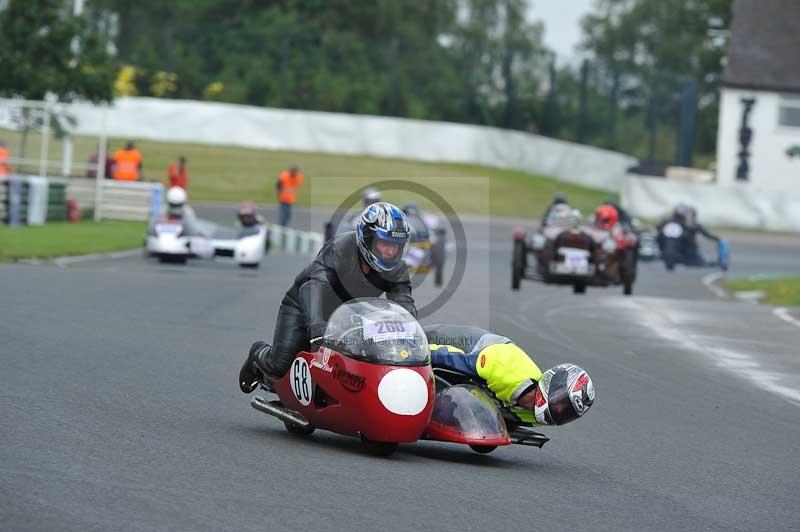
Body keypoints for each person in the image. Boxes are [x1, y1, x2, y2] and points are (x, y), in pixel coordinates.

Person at [239, 202, 415, 391]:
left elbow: (404, 305)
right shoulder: (340, 249)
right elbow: (313, 287)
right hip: (305, 305)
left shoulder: (397, 268)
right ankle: (258, 354)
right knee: (279, 365)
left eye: (396, 246)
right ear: (368, 237)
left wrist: (411, 336)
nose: (391, 252)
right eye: (385, 243)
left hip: (349, 316)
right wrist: (316, 326)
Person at [424, 324, 595, 426]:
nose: (559, 411)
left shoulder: (536, 417)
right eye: (561, 403)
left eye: (567, 413)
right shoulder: (506, 369)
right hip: (466, 344)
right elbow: (454, 357)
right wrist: (416, 351)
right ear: (553, 386)